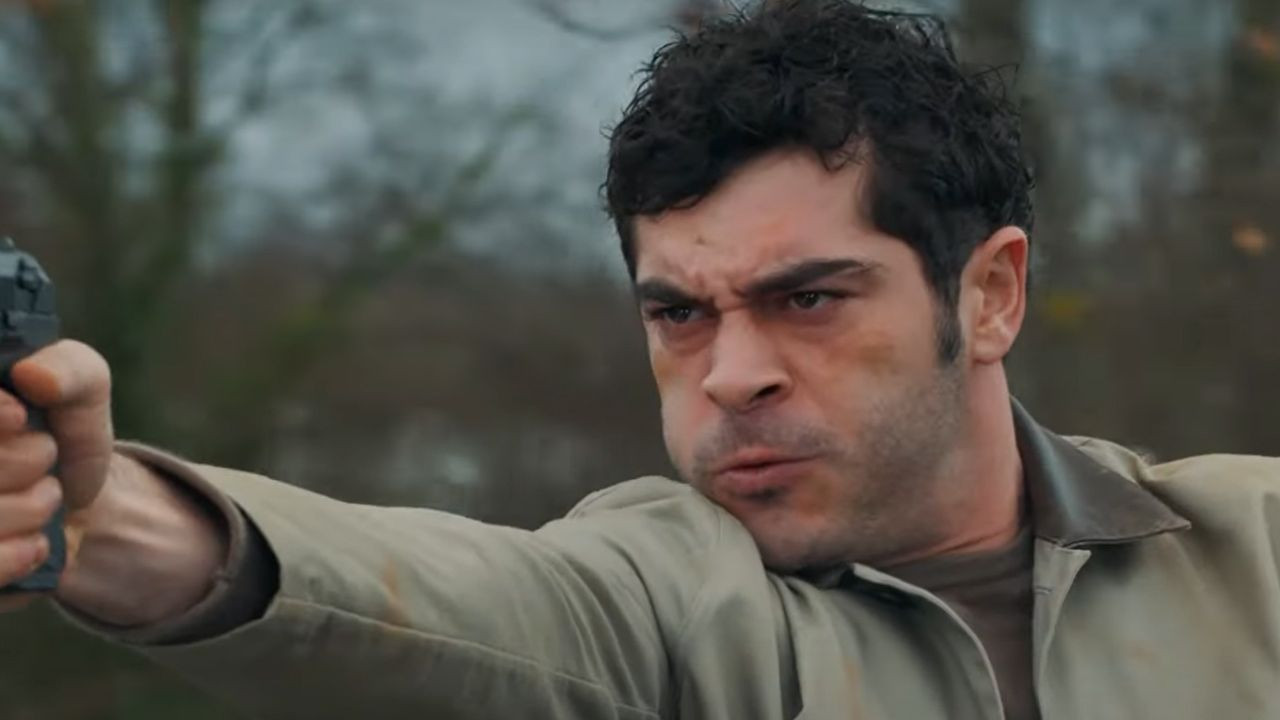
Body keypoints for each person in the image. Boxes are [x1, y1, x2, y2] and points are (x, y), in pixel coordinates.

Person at [1, 1, 1278, 718]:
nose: (730, 375)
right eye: (679, 315)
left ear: (988, 295)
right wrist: (85, 516)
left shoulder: (1252, 551)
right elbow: (456, 605)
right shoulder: (670, 601)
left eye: (808, 298)